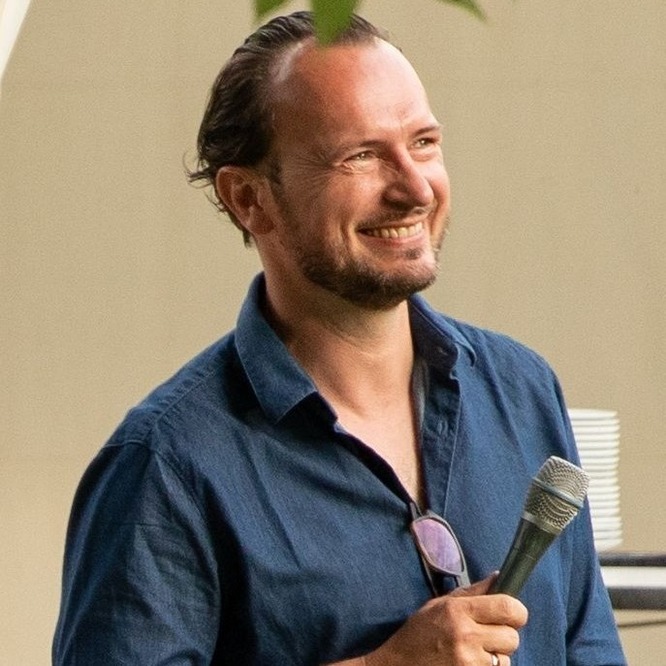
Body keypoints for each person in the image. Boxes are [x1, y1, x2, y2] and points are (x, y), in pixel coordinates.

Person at [52, 10, 626, 665]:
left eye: (423, 143)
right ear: (249, 199)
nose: (414, 188)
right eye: (361, 156)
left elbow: (588, 646)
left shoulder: (521, 388)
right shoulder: (166, 461)